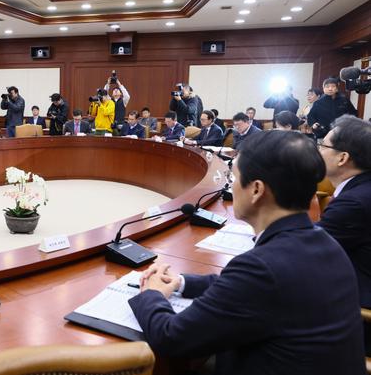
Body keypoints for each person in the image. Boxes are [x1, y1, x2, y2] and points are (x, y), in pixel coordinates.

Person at [129, 129, 365, 375]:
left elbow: (172, 338)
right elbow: (243, 288)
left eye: (233, 178)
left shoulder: (261, 268)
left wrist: (152, 293)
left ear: (256, 190)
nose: (231, 186)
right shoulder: (326, 243)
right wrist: (181, 282)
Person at [316, 115, 371, 355]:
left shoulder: (354, 203)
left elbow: (305, 252)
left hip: (357, 318)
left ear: (343, 158)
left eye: (323, 145)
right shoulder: (362, 189)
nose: (318, 150)